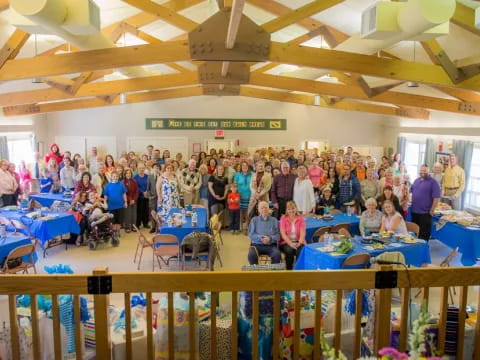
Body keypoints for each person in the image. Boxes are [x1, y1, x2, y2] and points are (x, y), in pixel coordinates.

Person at [411, 165, 441, 240]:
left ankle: (423, 250)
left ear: (428, 171)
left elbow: (436, 198)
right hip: (415, 212)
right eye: (421, 170)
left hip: (425, 213)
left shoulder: (433, 182)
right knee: (414, 233)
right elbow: (411, 192)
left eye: (424, 170)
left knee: (424, 235)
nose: (422, 172)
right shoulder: (416, 180)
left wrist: (432, 210)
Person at [279, 201, 306, 270]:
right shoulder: (283, 218)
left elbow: (303, 233)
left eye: (293, 208)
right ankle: (289, 270)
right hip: (286, 242)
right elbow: (283, 234)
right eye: (289, 209)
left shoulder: (301, 218)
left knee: (300, 252)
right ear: (287, 210)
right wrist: (290, 243)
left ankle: (298, 270)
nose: (291, 210)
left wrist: (299, 243)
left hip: (299, 241)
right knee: (289, 251)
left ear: (296, 209)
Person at [103, 171, 127, 244]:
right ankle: (114, 232)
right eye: (114, 176)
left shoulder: (121, 184)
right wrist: (105, 203)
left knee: (119, 220)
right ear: (111, 177)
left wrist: (125, 202)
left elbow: (124, 194)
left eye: (116, 176)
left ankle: (118, 231)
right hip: (111, 205)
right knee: (113, 220)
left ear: (118, 177)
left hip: (120, 205)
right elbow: (105, 195)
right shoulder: (108, 185)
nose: (115, 177)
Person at [233, 161, 253, 233]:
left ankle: (247, 227)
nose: (244, 167)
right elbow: (235, 185)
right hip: (240, 196)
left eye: (246, 165)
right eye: (243, 166)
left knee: (248, 212)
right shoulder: (237, 175)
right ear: (241, 167)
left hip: (249, 196)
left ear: (248, 167)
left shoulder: (252, 174)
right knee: (241, 212)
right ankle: (240, 226)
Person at [134, 163, 149, 229]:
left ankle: (145, 223)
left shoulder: (147, 176)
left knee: (146, 211)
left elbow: (149, 185)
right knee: (139, 211)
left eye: (143, 168)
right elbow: (135, 187)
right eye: (140, 168)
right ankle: (138, 224)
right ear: (138, 169)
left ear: (144, 168)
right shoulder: (135, 177)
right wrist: (142, 192)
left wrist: (147, 191)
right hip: (139, 196)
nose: (141, 169)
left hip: (147, 196)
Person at [123, 168, 139, 233]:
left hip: (134, 200)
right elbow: (124, 193)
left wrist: (134, 199)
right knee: (127, 214)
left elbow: (136, 191)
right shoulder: (123, 182)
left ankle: (133, 227)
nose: (128, 174)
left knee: (134, 214)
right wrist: (130, 199)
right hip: (126, 200)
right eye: (127, 173)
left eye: (129, 173)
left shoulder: (134, 181)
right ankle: (127, 227)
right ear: (125, 174)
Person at [146, 163, 160, 233]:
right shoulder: (150, 176)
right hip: (152, 197)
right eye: (155, 167)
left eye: (157, 168)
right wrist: (150, 196)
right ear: (152, 168)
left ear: (159, 169)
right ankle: (153, 227)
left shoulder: (161, 176)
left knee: (159, 212)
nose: (156, 169)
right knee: (152, 212)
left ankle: (159, 226)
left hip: (160, 198)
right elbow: (148, 188)